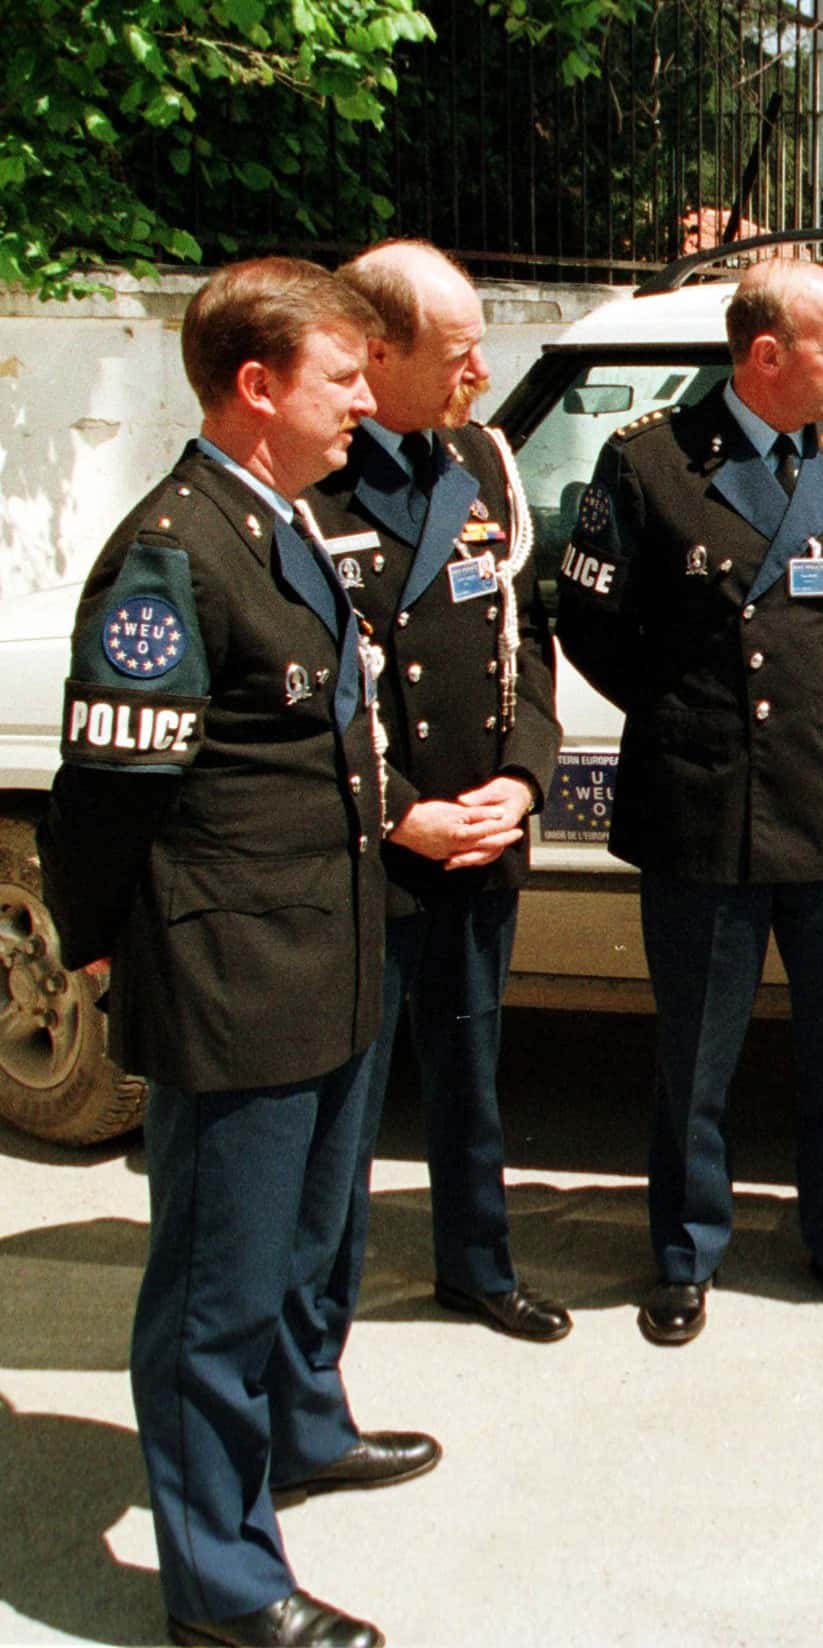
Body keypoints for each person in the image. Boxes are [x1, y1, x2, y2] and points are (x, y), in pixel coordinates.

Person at [40, 258, 437, 1648]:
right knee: (215, 1289)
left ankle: (300, 1431)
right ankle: (221, 1581)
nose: (363, 402)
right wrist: (102, 952)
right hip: (230, 977)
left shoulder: (285, 520)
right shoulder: (172, 549)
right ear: (256, 387)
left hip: (324, 951)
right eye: (341, 378)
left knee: (308, 1242)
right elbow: (108, 795)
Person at [558, 260, 823, 1347]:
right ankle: (684, 1254)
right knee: (696, 1058)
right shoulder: (651, 461)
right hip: (704, 805)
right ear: (766, 356)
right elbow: (591, 624)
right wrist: (696, 717)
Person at [300, 239, 570, 1346]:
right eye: (459, 352)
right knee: (345, 1107)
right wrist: (400, 809)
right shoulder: (308, 481)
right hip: (374, 839)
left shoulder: (482, 460)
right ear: (377, 352)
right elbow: (307, 687)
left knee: (470, 1071)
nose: (480, 372)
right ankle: (316, 1325)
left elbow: (526, 636)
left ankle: (478, 1265)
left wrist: (523, 776)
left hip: (477, 829)